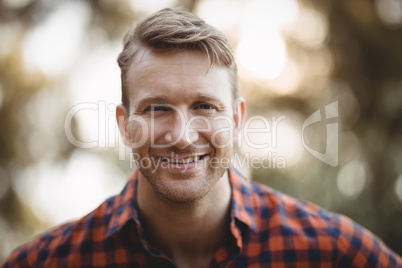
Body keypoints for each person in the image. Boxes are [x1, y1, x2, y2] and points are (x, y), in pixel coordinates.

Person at [3, 7, 402, 268]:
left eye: (204, 107)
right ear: (124, 125)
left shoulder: (332, 253)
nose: (181, 136)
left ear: (237, 119)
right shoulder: (47, 262)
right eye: (157, 108)